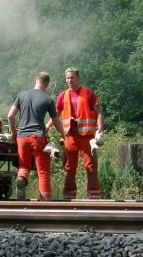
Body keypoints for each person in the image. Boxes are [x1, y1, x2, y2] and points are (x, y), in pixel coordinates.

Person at [7, 72, 64, 200]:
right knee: (42, 171)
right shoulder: (48, 99)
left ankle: (21, 179)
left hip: (22, 137)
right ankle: (45, 201)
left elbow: (10, 116)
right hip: (38, 137)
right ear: (47, 85)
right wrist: (63, 135)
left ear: (35, 81)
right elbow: (55, 121)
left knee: (24, 166)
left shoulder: (21, 95)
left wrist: (14, 133)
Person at [50, 67, 105, 199]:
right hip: (70, 137)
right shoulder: (63, 95)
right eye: (68, 78)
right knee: (68, 169)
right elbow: (55, 116)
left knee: (91, 167)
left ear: (78, 78)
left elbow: (99, 113)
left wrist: (100, 131)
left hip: (87, 137)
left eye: (72, 77)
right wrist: (46, 128)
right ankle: (69, 198)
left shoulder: (88, 93)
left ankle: (94, 197)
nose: (70, 80)